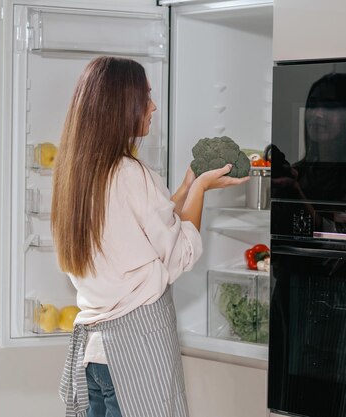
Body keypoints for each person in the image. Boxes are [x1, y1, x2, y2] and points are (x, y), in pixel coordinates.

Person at [51, 56, 247, 417]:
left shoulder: (76, 176)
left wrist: (187, 184)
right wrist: (202, 188)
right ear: (120, 106)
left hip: (95, 356)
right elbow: (179, 253)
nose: (153, 106)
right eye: (146, 96)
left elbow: (142, 231)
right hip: (136, 348)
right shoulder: (130, 173)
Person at [269, 72, 346, 417]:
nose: (317, 114)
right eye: (314, 105)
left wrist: (292, 192)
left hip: (339, 306)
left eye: (331, 107)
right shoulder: (299, 172)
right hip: (291, 301)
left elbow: (331, 249)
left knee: (335, 406)